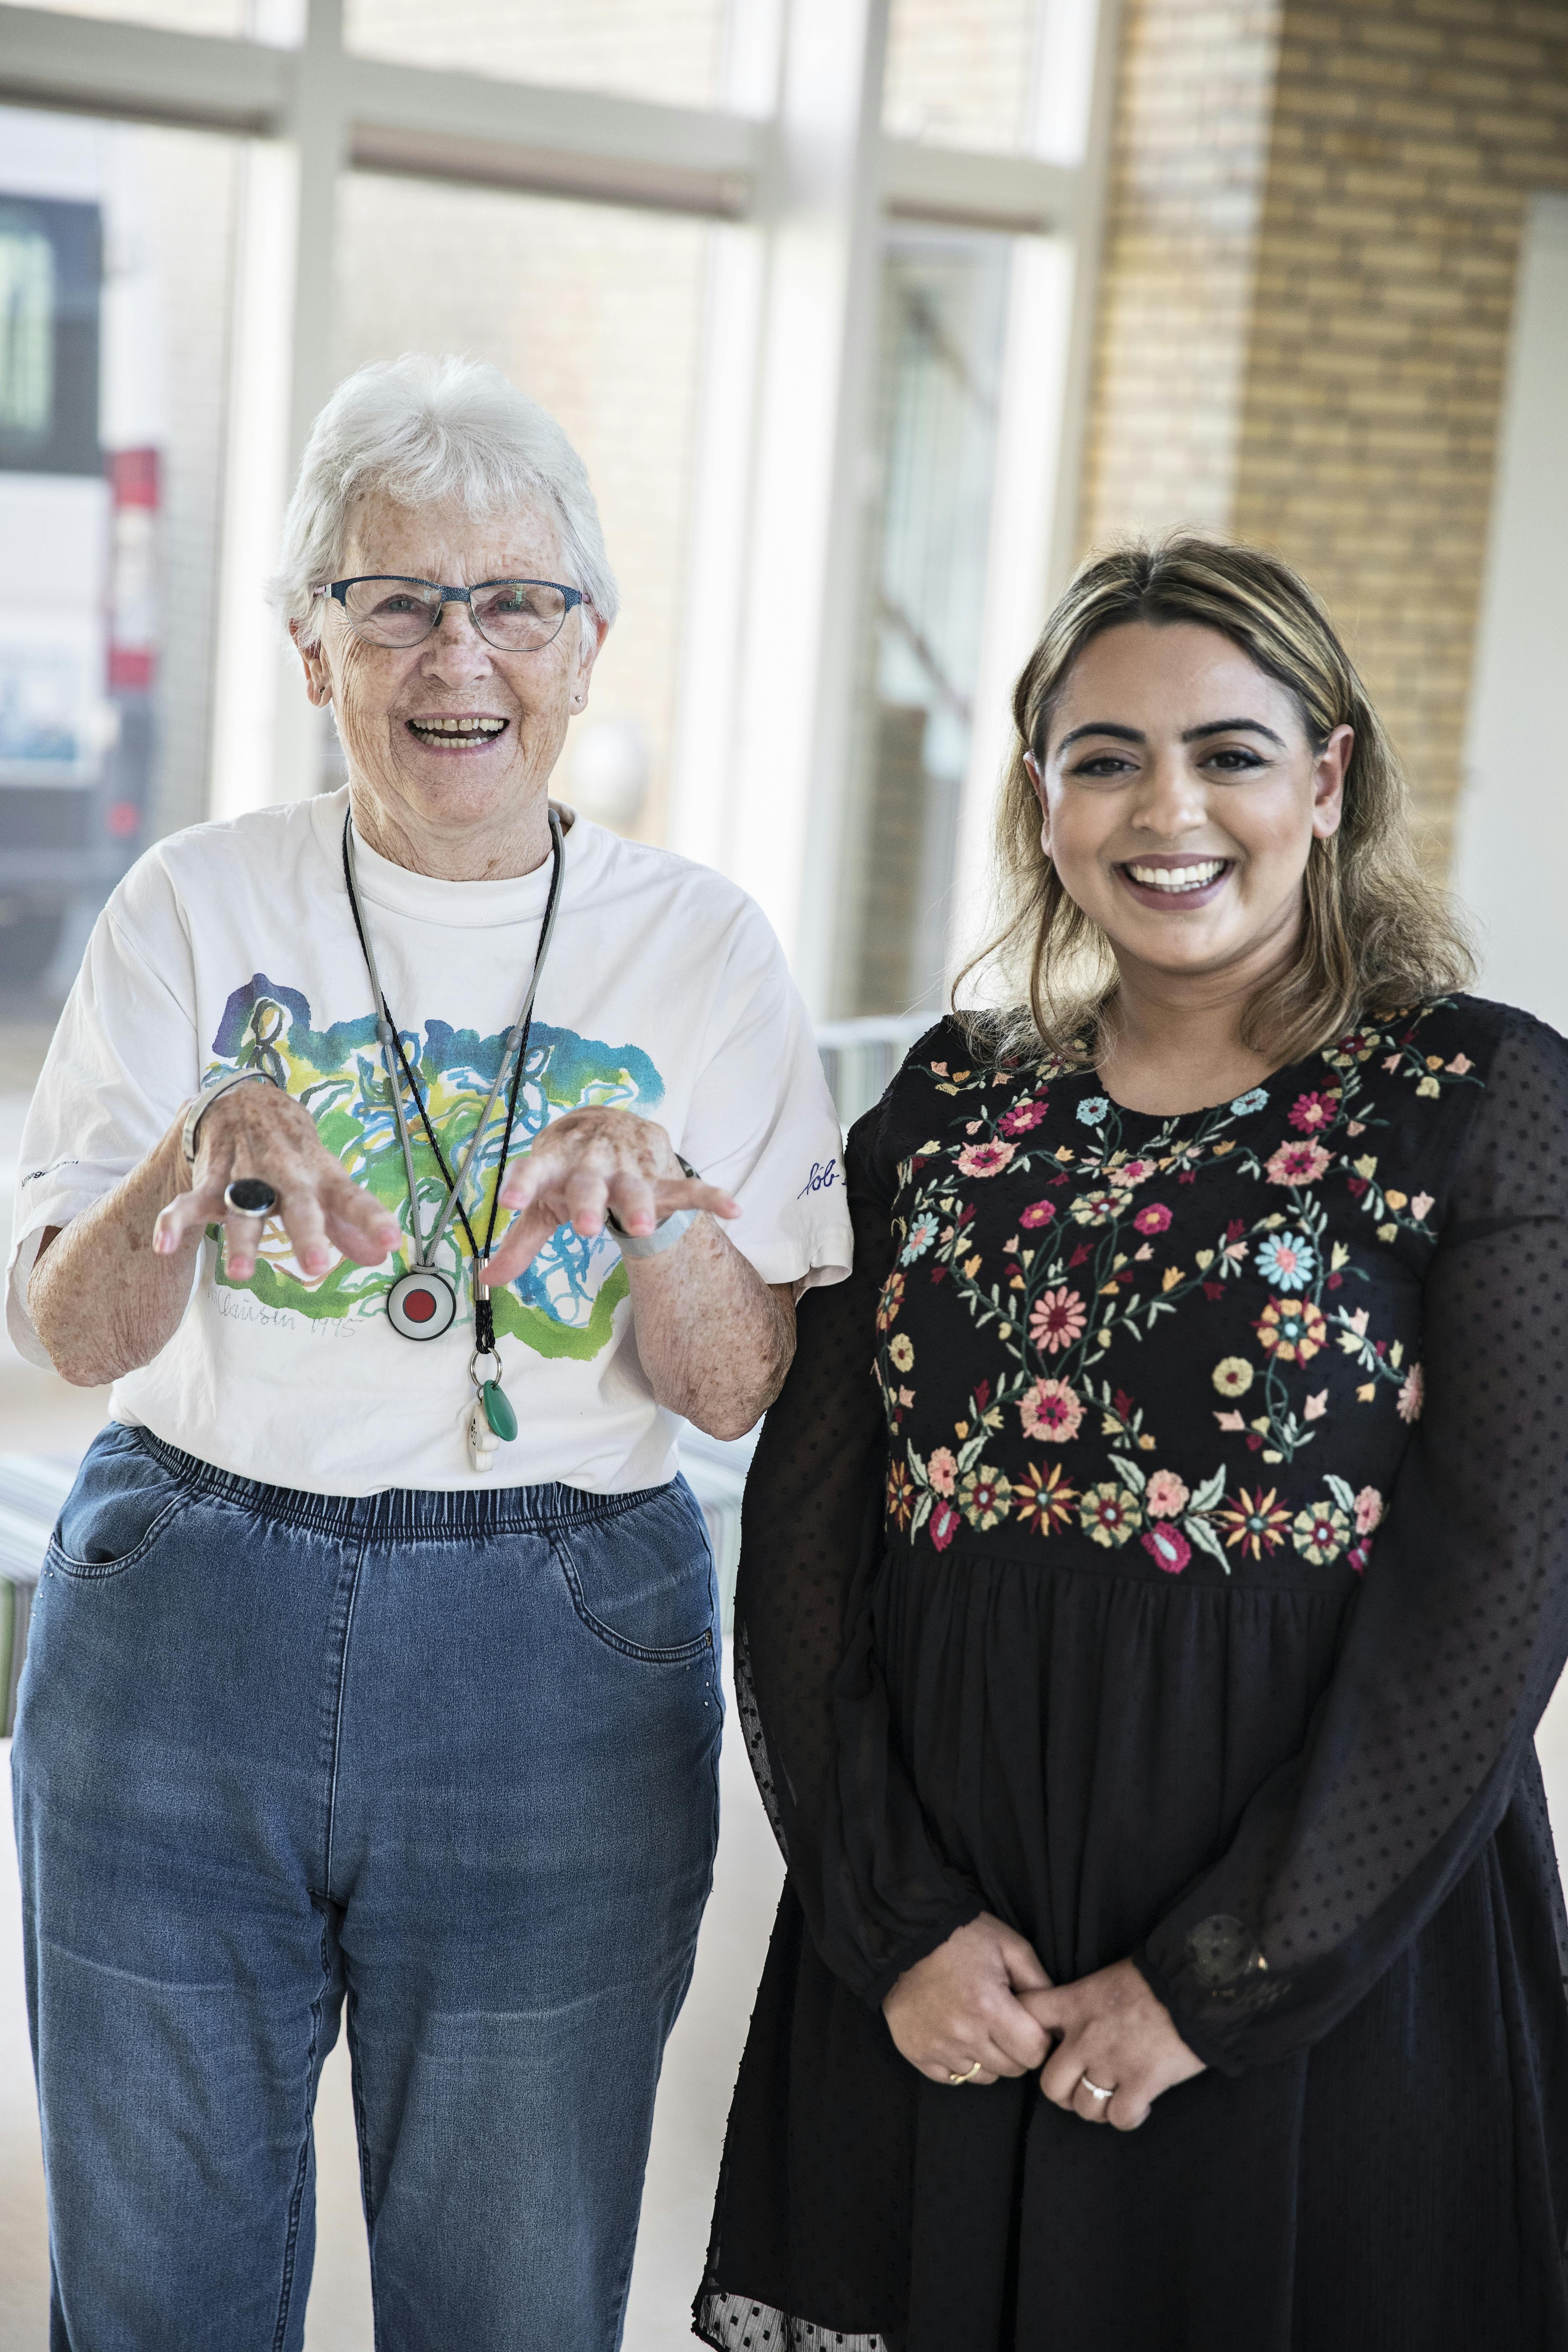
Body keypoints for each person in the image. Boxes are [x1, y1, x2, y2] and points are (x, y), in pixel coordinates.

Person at [7, 353, 852, 2352]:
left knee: (511, 2282)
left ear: (587, 646)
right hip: (182, 1601)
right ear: (315, 647)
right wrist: (183, 1174)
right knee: (156, 2283)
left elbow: (736, 1388)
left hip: (555, 1630)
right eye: (394, 602)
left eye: (513, 603)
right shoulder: (189, 902)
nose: (455, 654)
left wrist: (656, 1199)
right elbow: (68, 1331)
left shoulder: (703, 946)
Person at [697, 534, 1568, 2352]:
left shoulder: (1483, 1104)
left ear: (1327, 780)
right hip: (956, 1932)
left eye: (1230, 753)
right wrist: (892, 1918)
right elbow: (807, 1531)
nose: (1167, 807)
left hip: (1311, 1936)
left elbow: (1495, 1595)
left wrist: (1223, 1982)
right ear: (1042, 800)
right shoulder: (951, 1098)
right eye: (1105, 757)